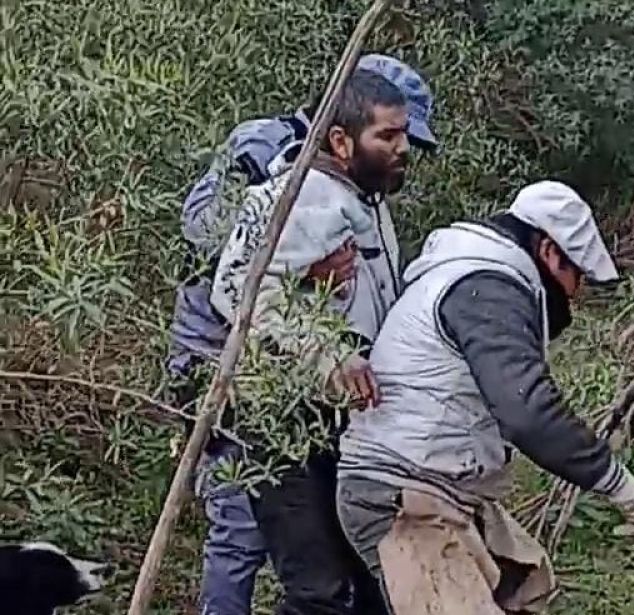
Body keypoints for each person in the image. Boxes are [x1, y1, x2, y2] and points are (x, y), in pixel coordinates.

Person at [163, 55, 438, 615]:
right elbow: (234, 285)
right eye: (389, 135)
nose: (403, 149)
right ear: (342, 136)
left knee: (348, 574)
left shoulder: (362, 194)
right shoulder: (286, 180)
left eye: (405, 135)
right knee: (260, 545)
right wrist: (320, 335)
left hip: (325, 413)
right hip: (267, 401)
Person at [336, 181, 634, 613]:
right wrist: (611, 479)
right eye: (577, 275)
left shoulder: (475, 277)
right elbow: (527, 410)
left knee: (526, 587)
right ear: (549, 251)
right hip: (400, 492)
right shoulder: (487, 289)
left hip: (442, 487)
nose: (575, 293)